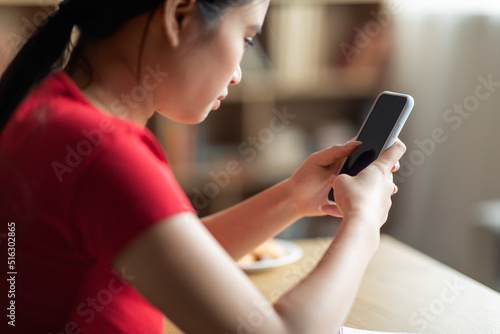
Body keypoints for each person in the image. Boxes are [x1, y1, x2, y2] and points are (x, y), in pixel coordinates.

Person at [0, 0, 406, 333]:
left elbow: (164, 252)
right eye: (246, 38)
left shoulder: (50, 113)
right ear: (178, 15)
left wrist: (291, 198)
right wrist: (364, 223)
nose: (239, 74)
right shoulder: (103, 153)